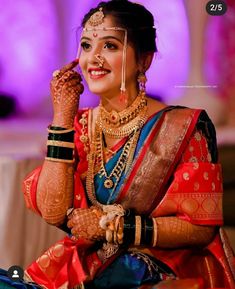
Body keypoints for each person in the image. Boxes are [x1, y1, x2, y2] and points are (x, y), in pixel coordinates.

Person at [10, 0, 235, 288]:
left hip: (163, 270)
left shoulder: (184, 127)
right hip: (88, 267)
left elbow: (201, 228)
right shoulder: (78, 126)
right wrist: (62, 118)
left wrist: (114, 226)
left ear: (145, 59)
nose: (94, 59)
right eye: (87, 45)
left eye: (110, 46)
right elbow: (54, 212)